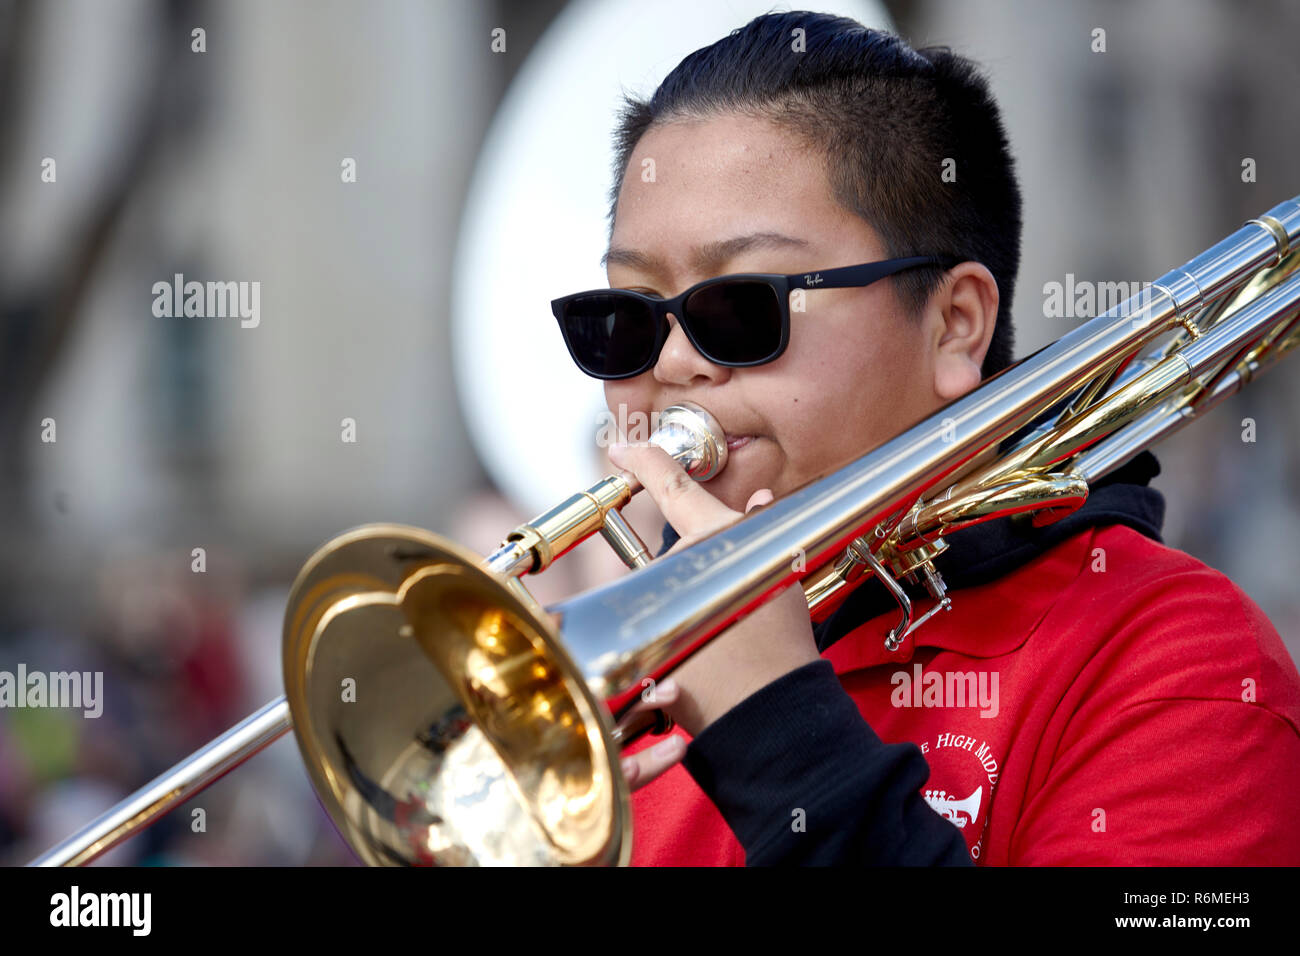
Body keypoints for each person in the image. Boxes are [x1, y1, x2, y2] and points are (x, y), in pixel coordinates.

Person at [550, 12, 1300, 864]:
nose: (675, 361)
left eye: (741, 305)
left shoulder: (1182, 664)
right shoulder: (604, 703)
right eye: (624, 316)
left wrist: (776, 733)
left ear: (954, 325)